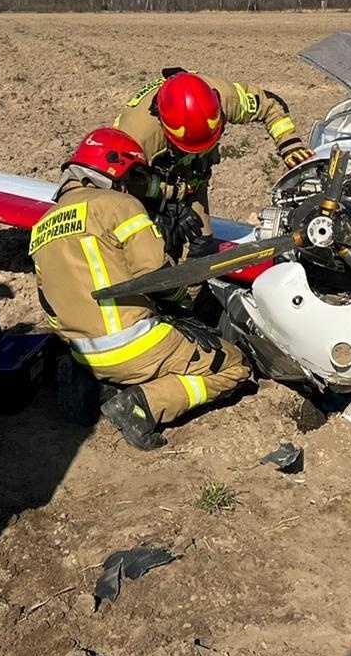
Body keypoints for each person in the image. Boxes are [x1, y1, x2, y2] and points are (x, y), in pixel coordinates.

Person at [30, 127, 252, 450]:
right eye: (133, 176)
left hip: (82, 354)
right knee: (234, 365)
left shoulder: (41, 227)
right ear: (115, 170)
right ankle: (141, 405)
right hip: (135, 345)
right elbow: (157, 275)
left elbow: (47, 305)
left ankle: (96, 385)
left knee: (125, 361)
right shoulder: (118, 205)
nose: (134, 187)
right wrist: (181, 306)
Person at [113, 70, 314, 255]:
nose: (199, 150)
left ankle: (191, 290)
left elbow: (270, 105)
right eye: (191, 145)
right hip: (147, 183)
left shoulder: (226, 99)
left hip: (192, 178)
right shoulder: (136, 136)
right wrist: (167, 205)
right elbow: (120, 188)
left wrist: (290, 144)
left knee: (200, 248)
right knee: (152, 251)